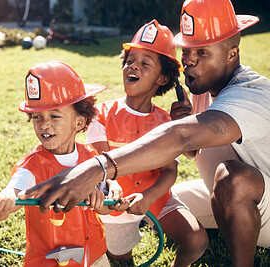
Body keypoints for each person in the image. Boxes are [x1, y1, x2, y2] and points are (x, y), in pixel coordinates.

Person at [18, 0, 270, 266]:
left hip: (256, 197)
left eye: (203, 53)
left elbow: (182, 137)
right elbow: (193, 150)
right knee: (170, 202)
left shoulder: (253, 93)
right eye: (186, 50)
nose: (189, 61)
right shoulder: (205, 89)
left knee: (233, 178)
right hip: (224, 192)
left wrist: (97, 167)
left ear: (232, 53)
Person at [86, 19, 207, 266]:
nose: (133, 67)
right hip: (114, 202)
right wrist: (116, 199)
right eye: (130, 61)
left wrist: (149, 197)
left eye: (144, 63)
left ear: (162, 79)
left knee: (197, 240)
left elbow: (170, 171)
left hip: (155, 195)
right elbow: (100, 169)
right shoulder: (102, 114)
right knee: (121, 259)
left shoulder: (166, 122)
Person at [0, 61, 115, 266]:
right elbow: (15, 192)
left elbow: (107, 209)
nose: (44, 124)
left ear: (79, 122)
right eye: (37, 117)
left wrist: (102, 200)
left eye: (54, 115)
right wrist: (3, 203)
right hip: (51, 260)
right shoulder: (31, 167)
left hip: (95, 256)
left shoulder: (90, 156)